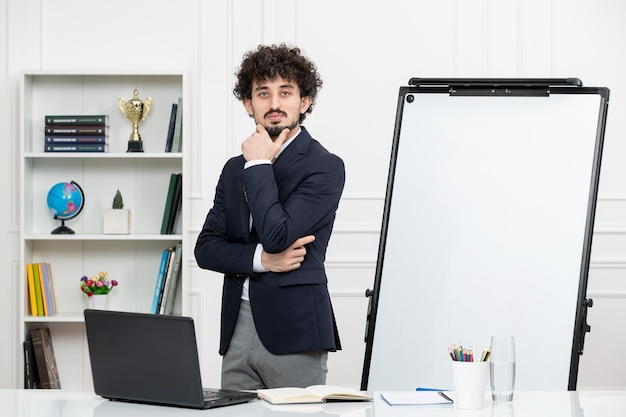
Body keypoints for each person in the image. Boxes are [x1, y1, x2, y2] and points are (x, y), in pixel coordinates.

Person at [194, 44, 345, 390]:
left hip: (294, 331)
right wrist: (261, 259)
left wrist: (259, 164)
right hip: (236, 329)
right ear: (249, 104)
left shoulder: (324, 167)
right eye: (263, 93)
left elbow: (279, 234)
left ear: (304, 101)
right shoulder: (234, 169)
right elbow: (206, 249)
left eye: (285, 92)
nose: (274, 104)